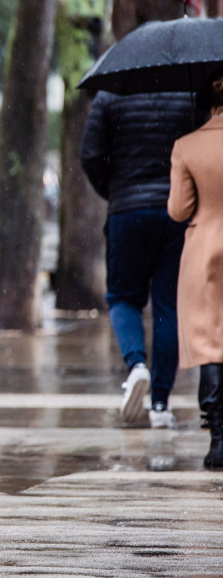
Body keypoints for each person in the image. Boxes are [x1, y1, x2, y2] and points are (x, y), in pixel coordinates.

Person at [81, 91, 203, 428]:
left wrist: (115, 189)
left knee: (123, 297)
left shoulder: (110, 94)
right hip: (175, 212)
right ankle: (160, 404)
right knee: (167, 304)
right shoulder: (187, 92)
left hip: (127, 210)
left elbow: (90, 155)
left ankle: (136, 365)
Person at [167, 78, 223, 470]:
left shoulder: (186, 146)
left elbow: (178, 210)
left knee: (210, 344)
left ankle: (218, 438)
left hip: (205, 252)